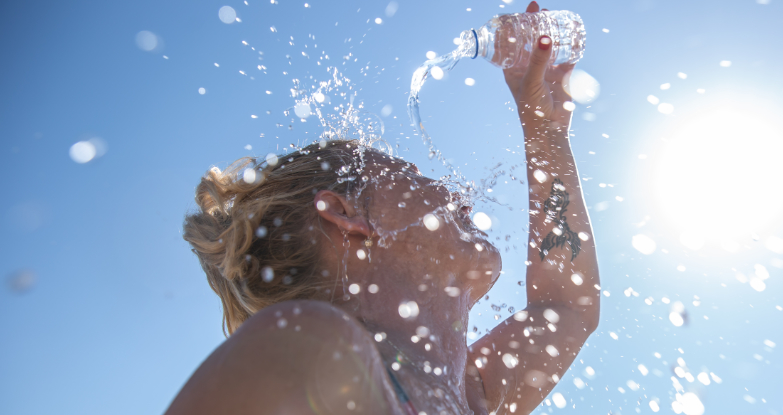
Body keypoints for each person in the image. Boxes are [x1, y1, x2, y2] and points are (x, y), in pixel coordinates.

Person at [166, 2, 599, 414]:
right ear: (346, 215)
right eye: (408, 172)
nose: (448, 189)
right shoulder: (313, 352)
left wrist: (545, 130)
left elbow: (567, 306)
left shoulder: (467, 393)